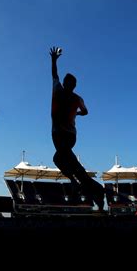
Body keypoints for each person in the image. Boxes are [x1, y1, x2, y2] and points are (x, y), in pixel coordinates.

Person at [49, 46, 105, 210]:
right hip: (70, 136)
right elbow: (86, 111)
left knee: (68, 163)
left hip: (59, 135)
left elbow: (54, 74)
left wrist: (53, 60)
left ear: (67, 84)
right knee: (61, 160)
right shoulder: (77, 98)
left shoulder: (58, 90)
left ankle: (91, 189)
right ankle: (89, 189)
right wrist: (78, 114)